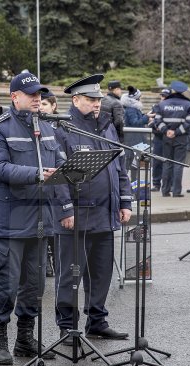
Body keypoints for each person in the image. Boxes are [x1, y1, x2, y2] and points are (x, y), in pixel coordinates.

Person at [0, 72, 72, 365]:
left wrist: (74, 171)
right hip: (10, 222)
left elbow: (59, 162)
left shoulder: (46, 128)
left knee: (35, 287)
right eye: (31, 94)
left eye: (39, 95)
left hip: (40, 221)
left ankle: (24, 339)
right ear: (15, 97)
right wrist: (35, 175)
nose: (37, 99)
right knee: (6, 285)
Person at [53, 74, 133, 342]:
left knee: (100, 273)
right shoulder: (64, 128)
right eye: (90, 99)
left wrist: (124, 201)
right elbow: (58, 175)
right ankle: (67, 326)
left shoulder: (107, 126)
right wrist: (65, 210)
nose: (97, 103)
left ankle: (97, 321)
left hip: (105, 213)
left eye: (98, 99)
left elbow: (119, 168)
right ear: (76, 100)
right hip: (78, 216)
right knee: (70, 275)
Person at [153, 81, 190, 197]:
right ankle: (176, 191)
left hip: (166, 138)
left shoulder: (163, 104)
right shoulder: (188, 104)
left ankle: (165, 191)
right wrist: (176, 132)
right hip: (181, 138)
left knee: (167, 163)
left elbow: (157, 121)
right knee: (178, 164)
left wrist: (167, 131)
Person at [38, 90, 58, 278]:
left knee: (55, 229)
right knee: (44, 227)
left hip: (57, 186)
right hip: (43, 183)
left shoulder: (60, 127)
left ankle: (55, 261)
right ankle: (46, 264)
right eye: (40, 103)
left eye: (45, 104)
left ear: (54, 107)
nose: (41, 107)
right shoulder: (37, 126)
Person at [121, 86, 150, 180]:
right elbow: (135, 123)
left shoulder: (133, 108)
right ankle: (128, 183)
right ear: (136, 98)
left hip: (135, 138)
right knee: (130, 162)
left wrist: (145, 116)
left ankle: (134, 183)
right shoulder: (131, 109)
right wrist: (146, 118)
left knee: (135, 162)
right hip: (133, 139)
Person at [149, 88, 170, 192]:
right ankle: (156, 184)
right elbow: (151, 121)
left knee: (168, 162)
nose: (163, 98)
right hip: (158, 138)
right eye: (162, 96)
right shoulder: (156, 107)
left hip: (169, 139)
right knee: (157, 162)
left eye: (165, 96)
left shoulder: (172, 108)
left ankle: (168, 185)